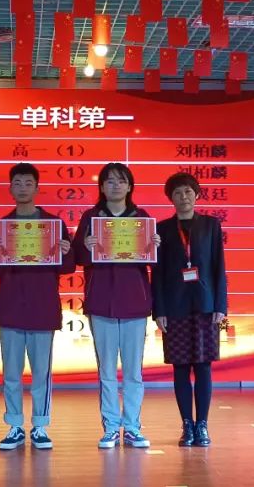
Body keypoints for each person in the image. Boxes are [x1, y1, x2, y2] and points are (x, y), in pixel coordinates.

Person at [0, 162, 76, 450]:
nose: (22, 188)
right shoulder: (1, 227)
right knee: (11, 373)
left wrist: (66, 251)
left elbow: (68, 267)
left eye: (28, 183)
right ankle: (14, 426)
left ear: (37, 188)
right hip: (11, 308)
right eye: (17, 183)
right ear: (10, 189)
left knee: (41, 374)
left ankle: (40, 426)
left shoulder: (54, 226)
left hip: (43, 309)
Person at [72, 163, 160, 449]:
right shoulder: (91, 217)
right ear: (102, 187)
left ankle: (132, 427)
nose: (115, 186)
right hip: (101, 303)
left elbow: (153, 261)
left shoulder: (142, 218)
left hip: (135, 302)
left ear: (129, 186)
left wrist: (155, 244)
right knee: (107, 371)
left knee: (133, 371)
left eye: (121, 181)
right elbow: (75, 257)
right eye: (109, 181)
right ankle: (111, 427)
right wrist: (86, 245)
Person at [150, 172, 227, 448]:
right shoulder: (162, 229)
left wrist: (220, 305)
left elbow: (219, 266)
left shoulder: (210, 225)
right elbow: (157, 273)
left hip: (206, 305)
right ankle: (187, 426)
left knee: (203, 366)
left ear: (197, 195)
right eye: (177, 193)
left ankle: (202, 425)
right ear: (170, 198)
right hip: (174, 307)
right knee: (180, 367)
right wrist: (159, 310)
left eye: (188, 192)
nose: (183, 197)